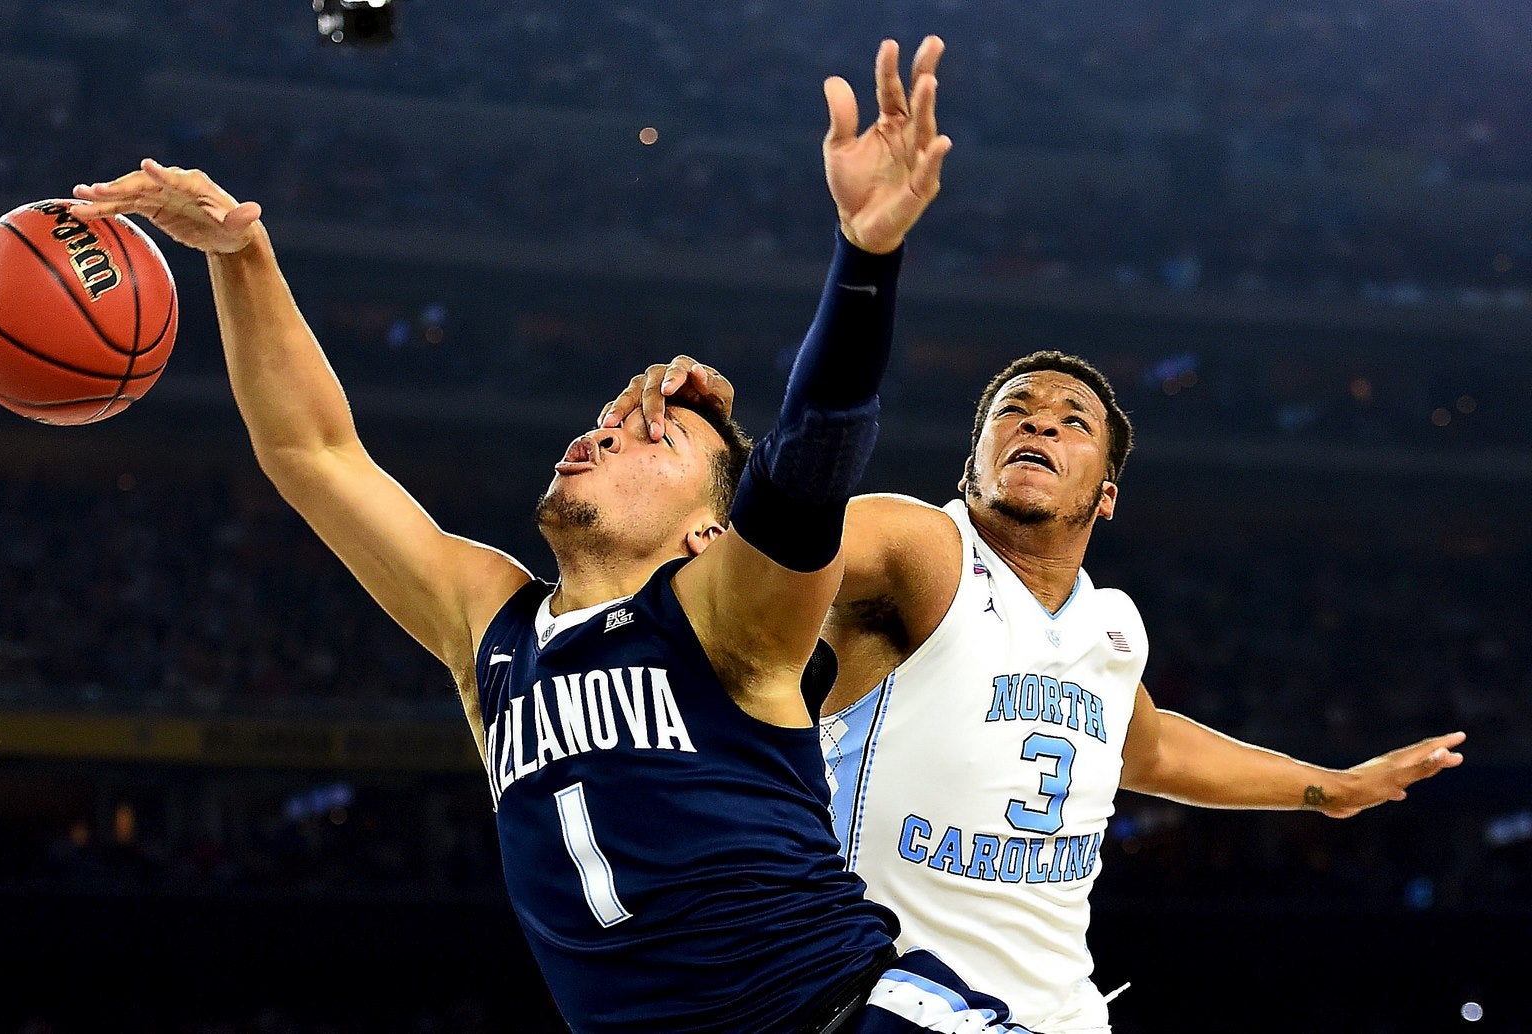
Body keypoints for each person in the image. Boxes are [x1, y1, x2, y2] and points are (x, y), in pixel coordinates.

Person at [71, 36, 1041, 1034]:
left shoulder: (727, 616)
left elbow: (816, 442)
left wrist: (866, 257)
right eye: (612, 418)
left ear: (712, 530)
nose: (606, 428)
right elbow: (313, 453)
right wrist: (243, 255)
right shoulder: (487, 621)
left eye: (653, 432)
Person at [602, 349, 1467, 1033]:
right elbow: (788, 543)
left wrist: (1331, 789)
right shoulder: (922, 550)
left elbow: (1154, 750)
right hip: (882, 1003)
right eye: (1012, 410)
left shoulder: (1113, 626)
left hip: (1060, 1015)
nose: (1037, 424)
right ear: (972, 464)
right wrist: (722, 458)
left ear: (1107, 496)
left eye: (1070, 420)